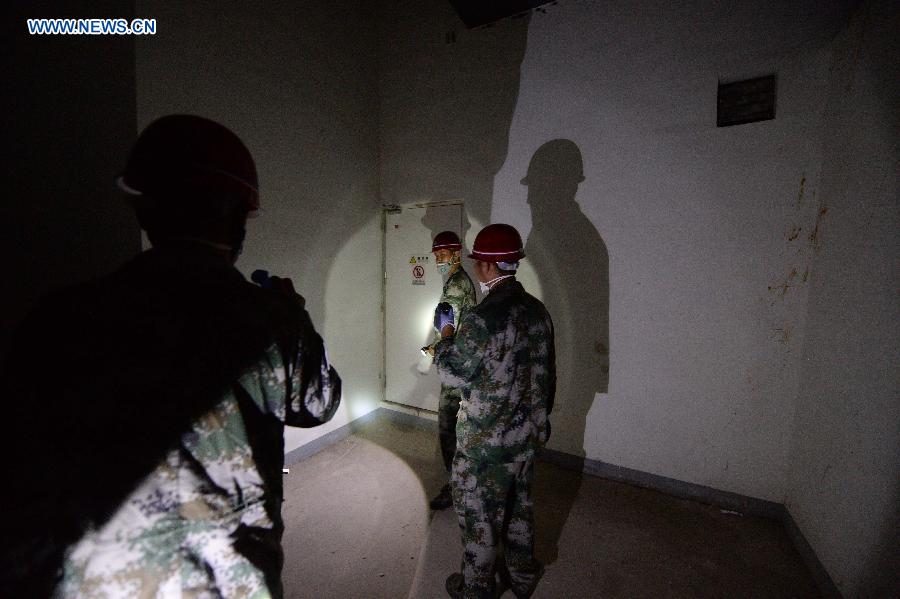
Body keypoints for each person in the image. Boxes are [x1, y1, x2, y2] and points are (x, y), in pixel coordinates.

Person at [0, 114, 341, 598]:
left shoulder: (55, 319)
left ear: (144, 211)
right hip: (228, 582)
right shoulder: (272, 321)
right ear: (238, 218)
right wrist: (296, 316)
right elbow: (319, 404)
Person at [433, 224, 555, 599]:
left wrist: (447, 333)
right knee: (519, 509)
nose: (476, 268)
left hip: (485, 446)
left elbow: (451, 373)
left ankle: (476, 589)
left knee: (479, 520)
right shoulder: (537, 311)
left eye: (477, 262)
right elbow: (547, 376)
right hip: (527, 437)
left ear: (487, 266)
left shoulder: (482, 319)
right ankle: (522, 576)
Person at [424, 230, 477, 510]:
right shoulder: (460, 280)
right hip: (463, 363)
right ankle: (464, 484)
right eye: (436, 256)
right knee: (459, 431)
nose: (438, 260)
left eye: (442, 255)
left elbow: (449, 327)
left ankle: (457, 488)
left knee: (449, 431)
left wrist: (437, 349)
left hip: (456, 368)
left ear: (456, 254)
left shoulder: (456, 285)